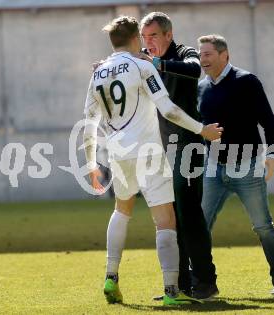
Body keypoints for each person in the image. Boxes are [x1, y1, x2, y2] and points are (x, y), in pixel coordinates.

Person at [83, 16, 222, 306]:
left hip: (119, 154)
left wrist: (91, 163)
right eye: (143, 36)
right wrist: (203, 129)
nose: (147, 42)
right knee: (166, 220)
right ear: (135, 39)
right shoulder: (142, 66)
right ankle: (173, 291)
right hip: (150, 152)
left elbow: (89, 123)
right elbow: (169, 110)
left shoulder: (99, 73)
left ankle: (111, 276)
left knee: (122, 211)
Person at [197, 34, 274, 295]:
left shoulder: (247, 81)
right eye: (200, 54)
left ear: (224, 55)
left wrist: (272, 156)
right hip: (213, 169)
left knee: (263, 226)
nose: (202, 58)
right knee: (199, 227)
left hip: (248, 167)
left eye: (207, 54)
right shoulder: (201, 88)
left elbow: (269, 123)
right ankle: (203, 283)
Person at [138, 12, 219, 299]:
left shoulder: (185, 53)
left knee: (189, 213)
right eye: (144, 37)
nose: (148, 43)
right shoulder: (143, 59)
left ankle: (206, 282)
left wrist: (157, 63)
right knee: (171, 217)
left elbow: (194, 70)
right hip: (162, 148)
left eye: (154, 36)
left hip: (189, 146)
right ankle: (181, 284)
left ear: (168, 35)